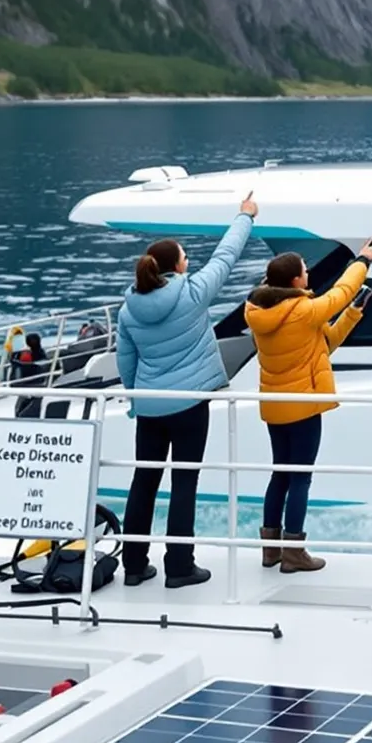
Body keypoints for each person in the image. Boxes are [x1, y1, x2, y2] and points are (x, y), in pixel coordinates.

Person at [115, 194, 258, 589]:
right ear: (176, 267)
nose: (189, 262)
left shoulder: (128, 310)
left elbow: (125, 362)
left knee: (143, 482)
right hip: (191, 404)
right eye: (184, 257)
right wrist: (245, 216)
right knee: (183, 483)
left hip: (149, 407)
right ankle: (179, 567)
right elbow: (226, 255)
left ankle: (133, 566)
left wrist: (136, 399)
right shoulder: (193, 293)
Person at [243, 239, 372, 573]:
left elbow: (324, 344)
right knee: (300, 479)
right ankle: (294, 551)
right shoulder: (302, 310)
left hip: (275, 405)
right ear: (295, 282)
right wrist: (362, 260)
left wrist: (355, 313)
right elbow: (341, 291)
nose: (308, 274)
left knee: (281, 476)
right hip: (303, 406)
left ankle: (271, 549)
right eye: (304, 271)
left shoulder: (261, 310)